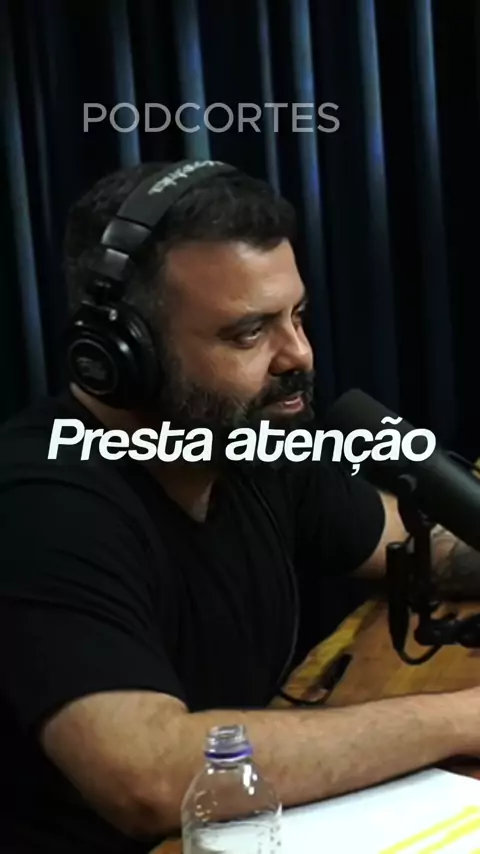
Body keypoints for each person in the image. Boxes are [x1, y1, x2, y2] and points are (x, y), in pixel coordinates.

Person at [1, 159, 480, 854]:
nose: (299, 356)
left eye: (297, 317)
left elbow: (419, 547)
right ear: (120, 356)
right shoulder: (41, 506)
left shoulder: (248, 442)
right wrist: (463, 719)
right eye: (248, 333)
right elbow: (148, 775)